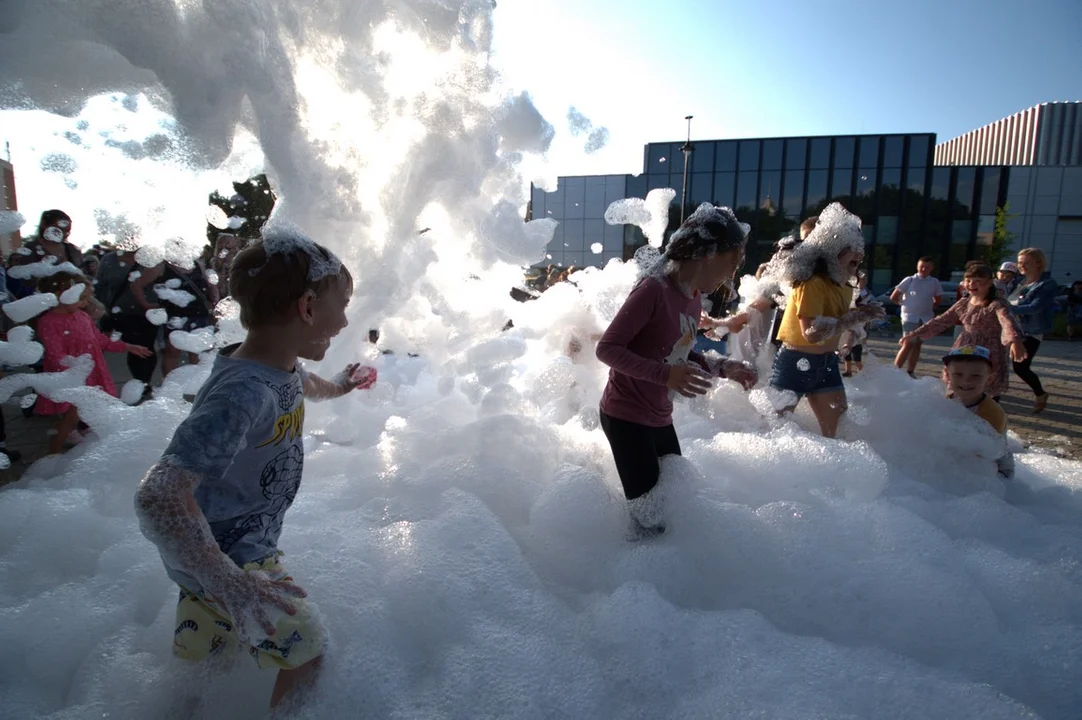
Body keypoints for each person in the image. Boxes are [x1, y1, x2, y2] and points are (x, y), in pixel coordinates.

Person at [133, 228, 375, 710]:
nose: (345, 319)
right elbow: (157, 495)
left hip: (220, 557)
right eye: (342, 303)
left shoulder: (276, 365)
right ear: (307, 308)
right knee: (306, 654)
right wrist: (230, 581)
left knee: (208, 668)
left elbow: (307, 385)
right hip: (229, 557)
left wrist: (342, 386)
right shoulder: (244, 393)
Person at [595, 204, 756, 540]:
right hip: (626, 417)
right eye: (732, 263)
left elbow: (678, 351)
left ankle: (663, 573)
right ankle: (633, 580)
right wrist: (665, 377)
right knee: (649, 520)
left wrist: (723, 366)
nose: (732, 274)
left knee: (671, 505)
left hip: (658, 416)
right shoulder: (653, 290)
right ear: (709, 253)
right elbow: (607, 349)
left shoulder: (693, 298)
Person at [768, 203, 884, 438]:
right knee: (775, 434)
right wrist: (857, 317)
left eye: (861, 247)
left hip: (827, 364)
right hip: (794, 362)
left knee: (838, 434)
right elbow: (812, 332)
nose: (860, 253)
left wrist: (855, 328)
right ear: (833, 250)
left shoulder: (843, 285)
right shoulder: (813, 283)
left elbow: (841, 321)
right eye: (853, 247)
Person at [34, 269, 153, 455]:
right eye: (82, 299)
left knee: (86, 410)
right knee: (70, 417)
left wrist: (128, 347)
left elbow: (100, 341)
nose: (85, 304)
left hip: (91, 371)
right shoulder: (48, 322)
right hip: (70, 376)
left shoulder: (82, 317)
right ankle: (52, 455)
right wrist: (73, 372)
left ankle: (84, 438)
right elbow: (54, 354)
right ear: (60, 295)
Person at [899, 264, 1026, 400]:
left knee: (984, 386)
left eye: (978, 281)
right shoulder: (964, 303)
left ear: (989, 283)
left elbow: (1008, 322)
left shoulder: (997, 304)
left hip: (988, 349)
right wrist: (915, 333)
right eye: (969, 280)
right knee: (957, 383)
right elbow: (942, 320)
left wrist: (1015, 341)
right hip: (965, 346)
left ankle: (986, 415)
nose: (972, 284)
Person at [942, 345, 1017, 492]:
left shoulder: (992, 413)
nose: (966, 381)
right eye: (958, 374)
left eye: (975, 376)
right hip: (962, 463)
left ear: (990, 378)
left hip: (997, 470)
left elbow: (985, 451)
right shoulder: (944, 402)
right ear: (947, 375)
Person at [130, 256, 219, 376]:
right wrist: (146, 304)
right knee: (173, 352)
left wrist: (214, 301)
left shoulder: (196, 264)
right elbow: (136, 285)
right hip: (175, 315)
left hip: (199, 313)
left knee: (197, 350)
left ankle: (195, 385)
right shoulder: (161, 266)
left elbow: (209, 284)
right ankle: (169, 384)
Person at [95, 247, 160, 394]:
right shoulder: (109, 260)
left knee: (147, 346)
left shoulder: (150, 258)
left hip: (148, 311)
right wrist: (100, 309)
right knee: (134, 346)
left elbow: (160, 281)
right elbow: (100, 285)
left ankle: (145, 380)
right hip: (121, 312)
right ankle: (140, 380)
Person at [1008, 247, 1058, 413]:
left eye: (1026, 263)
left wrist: (1007, 309)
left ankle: (1041, 394)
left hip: (1031, 331)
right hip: (1010, 329)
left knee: (1020, 367)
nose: (1021, 266)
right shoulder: (1017, 282)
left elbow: (1035, 308)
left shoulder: (1046, 284)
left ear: (1038, 264)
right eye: (1020, 262)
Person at [6, 210, 85, 299]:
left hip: (74, 300)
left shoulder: (72, 249)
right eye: (59, 229)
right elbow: (26, 282)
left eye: (67, 231)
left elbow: (83, 276)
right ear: (44, 225)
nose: (64, 234)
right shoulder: (31, 249)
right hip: (44, 300)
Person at [891, 256, 943, 377]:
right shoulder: (909, 280)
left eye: (927, 267)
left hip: (925, 317)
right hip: (910, 316)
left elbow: (938, 298)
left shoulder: (934, 282)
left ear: (931, 268)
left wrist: (929, 307)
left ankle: (910, 370)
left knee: (918, 343)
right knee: (908, 342)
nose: (924, 269)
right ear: (917, 267)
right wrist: (905, 305)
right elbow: (894, 296)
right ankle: (895, 370)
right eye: (921, 266)